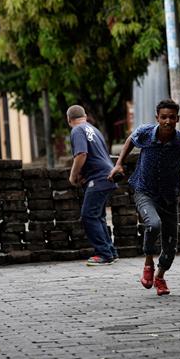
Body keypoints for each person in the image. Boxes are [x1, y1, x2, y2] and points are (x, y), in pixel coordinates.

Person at [108, 99, 180, 296]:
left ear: (178, 119)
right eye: (163, 117)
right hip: (144, 190)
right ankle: (148, 262)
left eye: (172, 118)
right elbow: (131, 140)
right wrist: (119, 164)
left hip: (169, 195)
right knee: (153, 224)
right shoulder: (145, 133)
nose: (167, 121)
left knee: (170, 244)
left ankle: (160, 276)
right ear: (157, 118)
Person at [66, 105, 119, 266]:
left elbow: (82, 154)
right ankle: (110, 252)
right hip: (108, 175)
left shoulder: (76, 130)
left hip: (99, 178)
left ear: (69, 120)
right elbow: (97, 155)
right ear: (86, 116)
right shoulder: (94, 130)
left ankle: (103, 254)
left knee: (89, 215)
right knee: (98, 216)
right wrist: (84, 175)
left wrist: (73, 175)